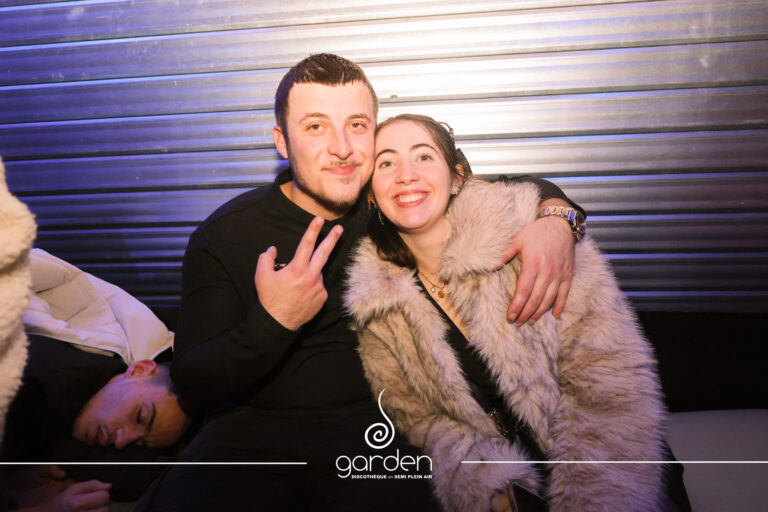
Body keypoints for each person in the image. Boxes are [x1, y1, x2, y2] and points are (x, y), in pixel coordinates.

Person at [140, 54, 581, 511]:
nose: (342, 148)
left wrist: (557, 219)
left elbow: (498, 186)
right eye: (316, 127)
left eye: (356, 125)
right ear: (282, 141)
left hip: (381, 433)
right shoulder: (226, 234)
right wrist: (273, 322)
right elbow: (193, 385)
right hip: (251, 435)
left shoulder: (391, 203)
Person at [344, 113, 689, 511]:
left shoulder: (533, 237)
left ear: (456, 178)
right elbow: (422, 422)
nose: (406, 175)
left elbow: (610, 383)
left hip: (622, 476)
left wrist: (594, 498)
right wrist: (484, 482)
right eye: (387, 162)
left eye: (423, 157)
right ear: (371, 194)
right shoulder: (377, 308)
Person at [0, 335, 189, 507]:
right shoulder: (25, 389)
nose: (121, 441)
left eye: (140, 443)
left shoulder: (92, 404)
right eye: (140, 417)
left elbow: (133, 478)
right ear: (139, 370)